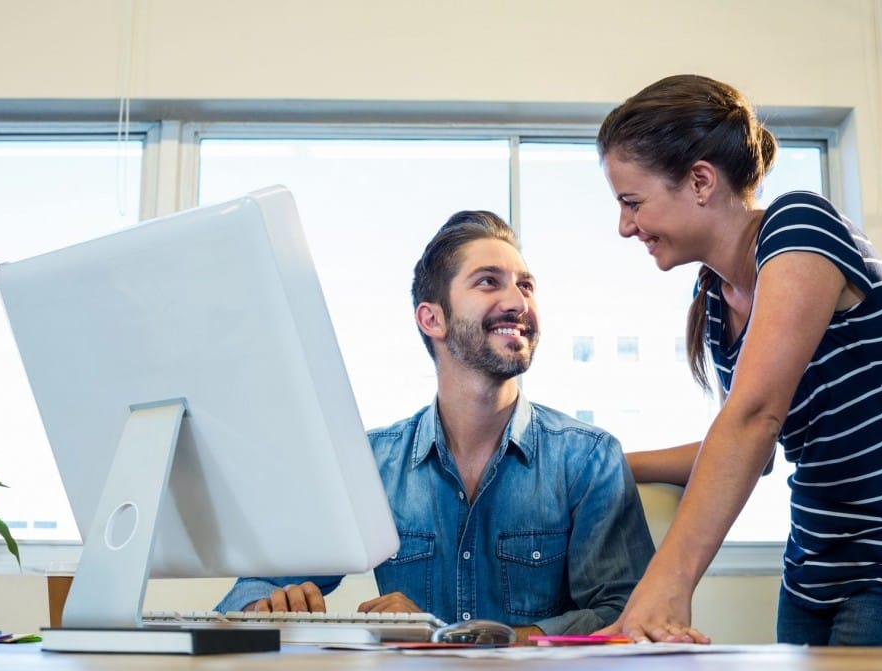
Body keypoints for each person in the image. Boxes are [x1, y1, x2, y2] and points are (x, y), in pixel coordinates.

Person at [594, 74, 882, 646]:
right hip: (815, 570)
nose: (625, 226)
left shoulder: (801, 226)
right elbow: (751, 448)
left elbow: (754, 417)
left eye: (632, 202)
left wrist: (667, 582)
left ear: (700, 180)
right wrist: (604, 464)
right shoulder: (716, 302)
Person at [216, 210, 654, 640]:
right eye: (488, 282)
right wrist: (267, 608)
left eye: (526, 286)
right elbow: (249, 591)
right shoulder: (372, 465)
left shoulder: (588, 458)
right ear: (432, 319)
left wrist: (454, 637)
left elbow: (627, 615)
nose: (519, 302)